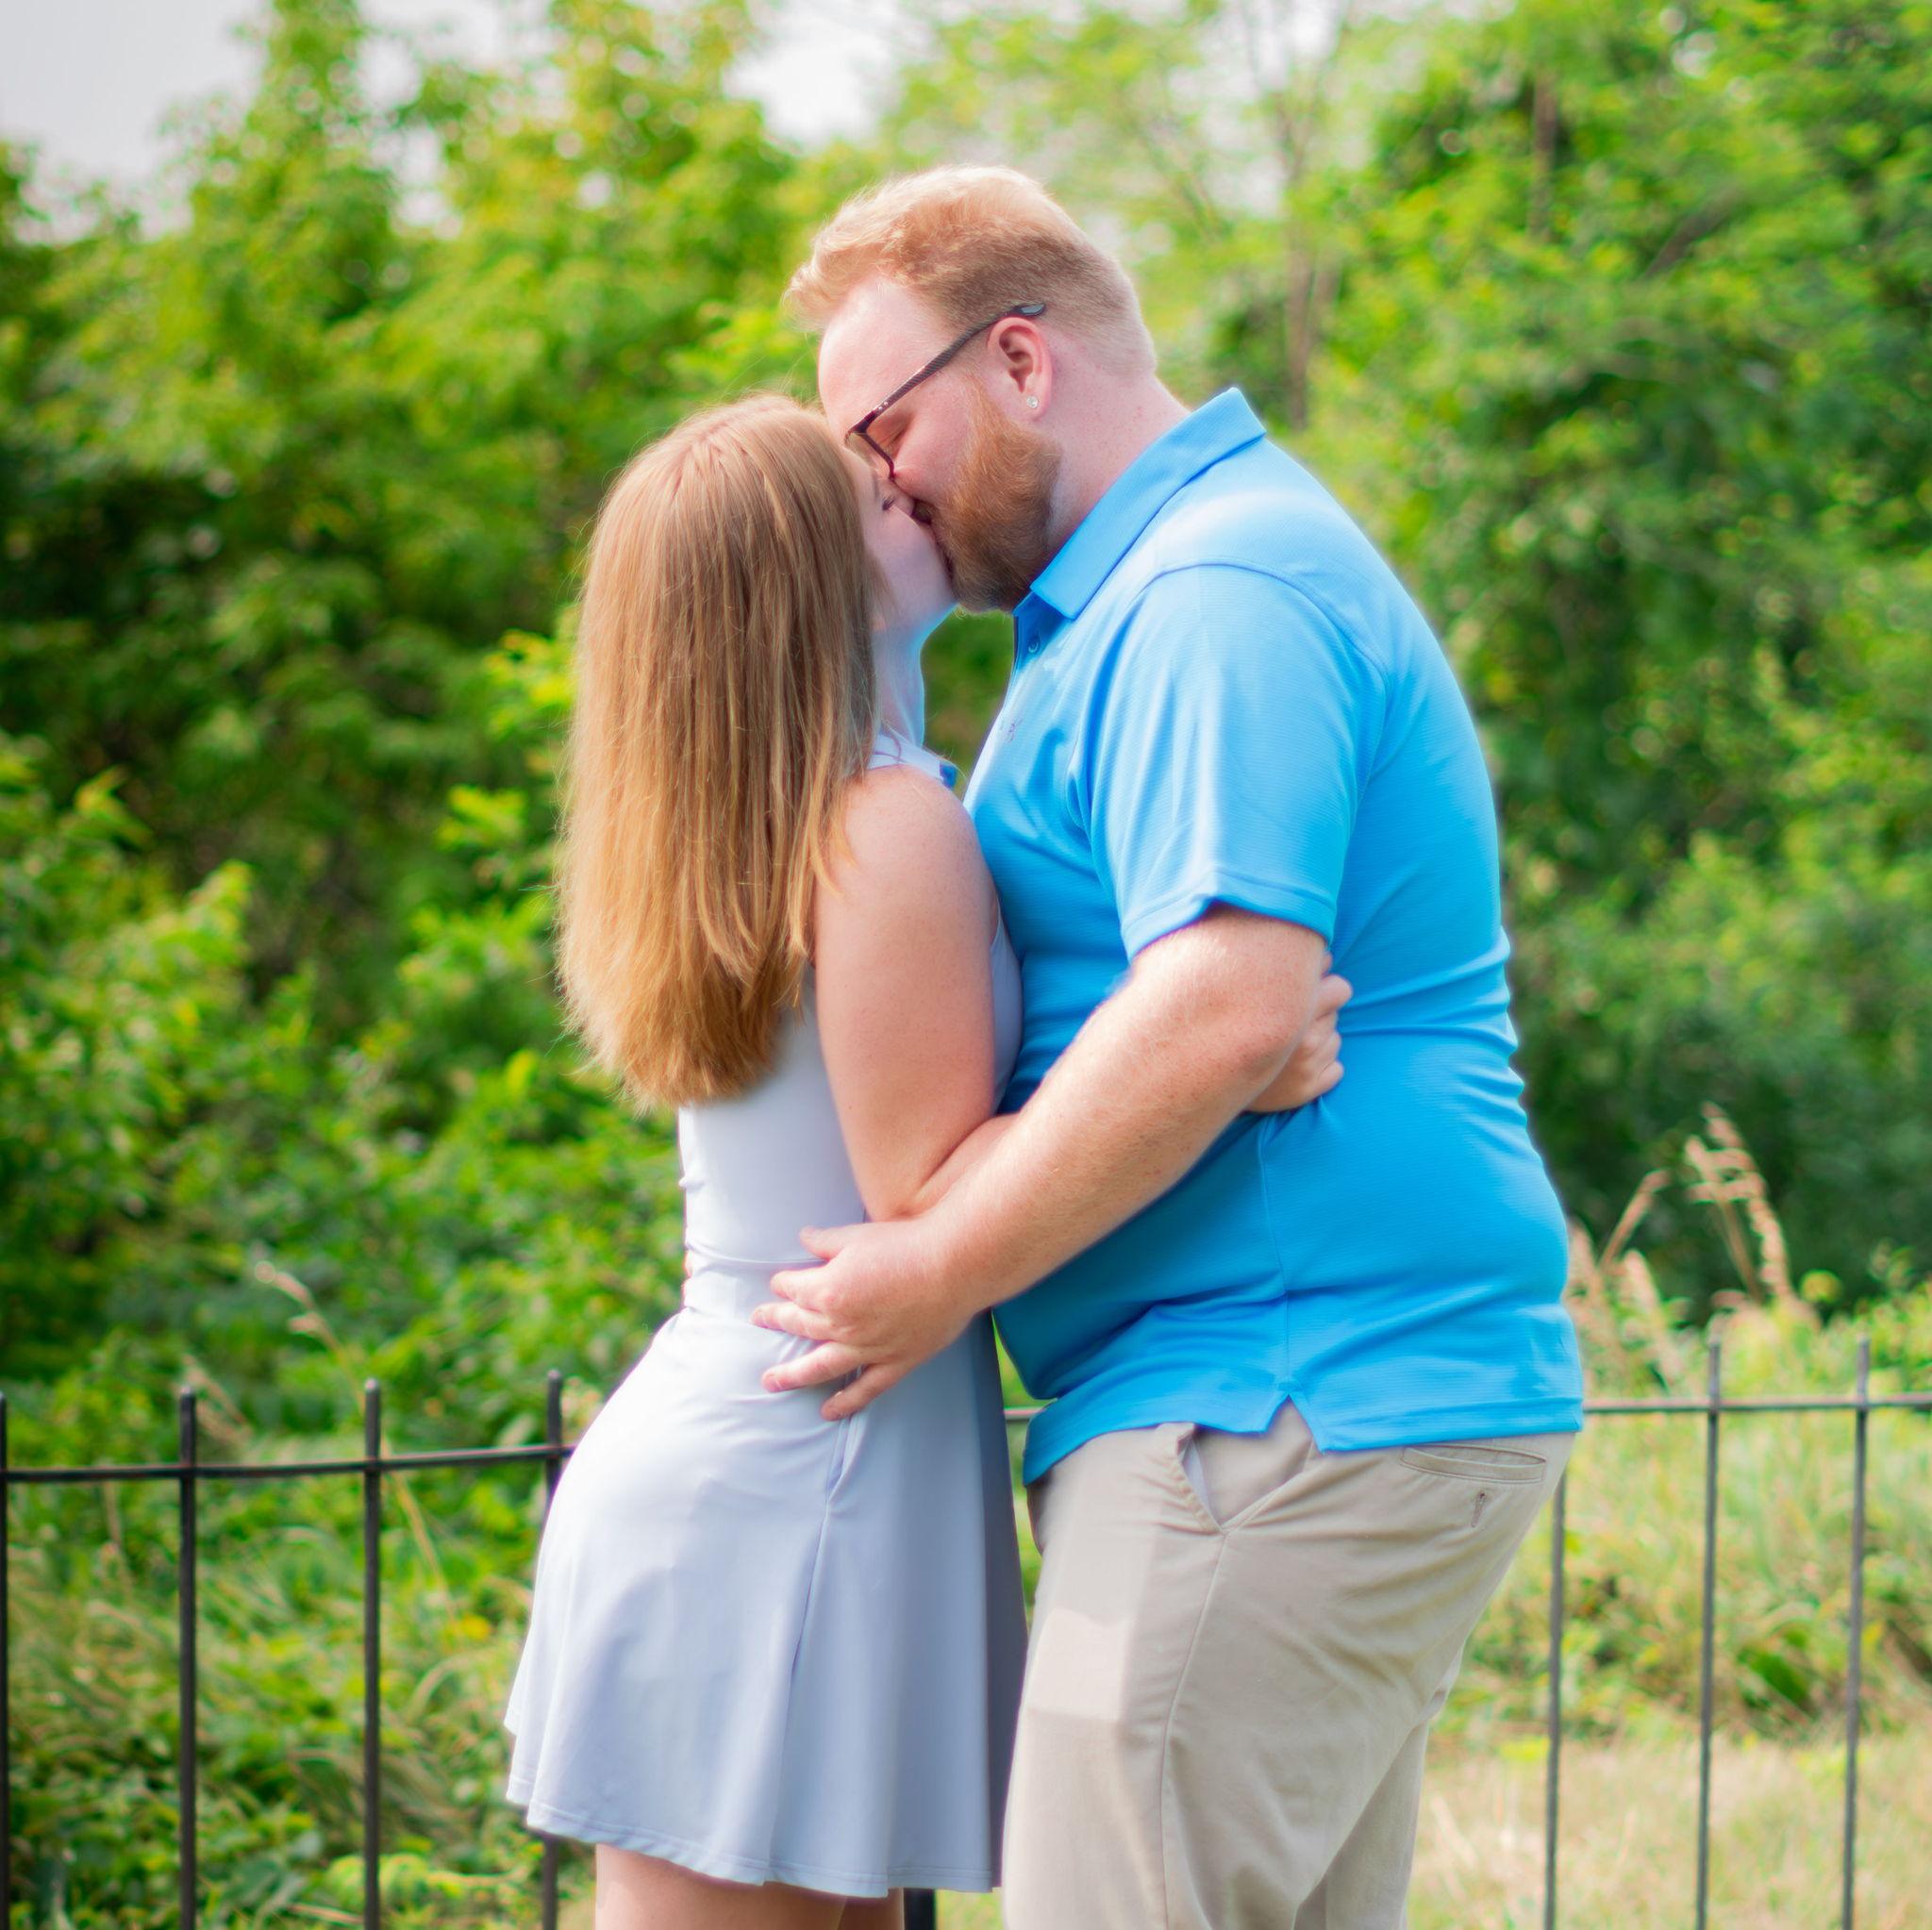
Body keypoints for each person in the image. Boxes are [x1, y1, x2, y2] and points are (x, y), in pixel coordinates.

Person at [754, 166, 1589, 1929]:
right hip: (1287, 1401)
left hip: (1277, 1399)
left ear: (1022, 362)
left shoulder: (1212, 590)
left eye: (882, 429)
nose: (877, 485)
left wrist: (932, 1273)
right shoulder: (1145, 595)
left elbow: (1227, 995)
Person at [498, 391, 1348, 1928]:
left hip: (807, 1462)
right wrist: (1221, 1065)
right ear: (802, 587)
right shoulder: (879, 823)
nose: (906, 479)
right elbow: (933, 1194)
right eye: (868, 489)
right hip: (788, 1483)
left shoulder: (823, 813)